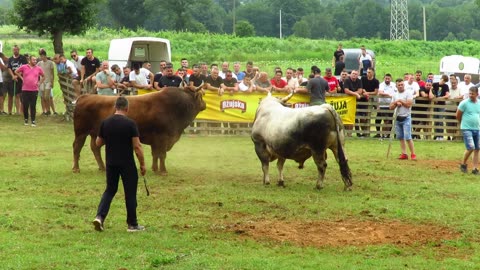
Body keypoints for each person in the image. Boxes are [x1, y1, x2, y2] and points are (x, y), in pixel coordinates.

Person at [93, 96, 147, 232]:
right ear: (127, 108)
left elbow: (98, 143)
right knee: (130, 193)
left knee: (110, 190)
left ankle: (100, 217)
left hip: (111, 163)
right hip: (127, 163)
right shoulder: (131, 124)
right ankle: (132, 224)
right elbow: (137, 147)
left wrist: (109, 138)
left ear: (115, 107)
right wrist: (142, 164)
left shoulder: (105, 123)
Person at [389, 78, 417, 161]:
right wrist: (395, 103)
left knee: (408, 137)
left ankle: (413, 153)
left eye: (402, 84)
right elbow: (391, 107)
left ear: (404, 85)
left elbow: (409, 104)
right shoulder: (394, 95)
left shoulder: (408, 93)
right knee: (400, 137)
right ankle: (404, 153)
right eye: (399, 85)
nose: (400, 86)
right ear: (396, 86)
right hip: (397, 118)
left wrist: (401, 101)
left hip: (406, 117)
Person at [15, 55, 44, 127]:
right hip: (25, 89)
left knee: (33, 105)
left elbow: (43, 76)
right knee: (25, 105)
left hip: (34, 89)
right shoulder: (24, 67)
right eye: (33, 60)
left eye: (35, 60)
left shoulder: (38, 68)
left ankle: (33, 120)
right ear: (29, 60)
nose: (35, 61)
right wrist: (21, 78)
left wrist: (39, 82)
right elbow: (16, 71)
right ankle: (26, 119)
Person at [457, 87, 480, 174]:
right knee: (470, 147)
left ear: (477, 94)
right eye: (470, 93)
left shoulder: (479, 103)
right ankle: (463, 164)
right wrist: (463, 123)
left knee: (477, 149)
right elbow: (458, 115)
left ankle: (475, 168)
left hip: (477, 128)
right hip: (467, 128)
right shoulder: (464, 103)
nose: (470, 95)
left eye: (472, 94)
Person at [8, 45, 28, 115]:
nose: (15, 51)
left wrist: (17, 75)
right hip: (13, 79)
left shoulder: (23, 58)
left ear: (19, 50)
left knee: (20, 95)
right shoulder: (10, 59)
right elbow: (9, 68)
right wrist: (13, 76)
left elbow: (24, 68)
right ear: (12, 50)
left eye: (17, 49)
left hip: (21, 78)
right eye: (14, 50)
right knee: (15, 94)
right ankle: (16, 111)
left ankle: (21, 111)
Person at [429, 74, 450, 140]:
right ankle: (436, 135)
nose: (443, 82)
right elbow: (431, 92)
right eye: (443, 80)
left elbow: (447, 95)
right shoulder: (435, 84)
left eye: (445, 81)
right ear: (441, 79)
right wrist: (434, 98)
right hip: (435, 105)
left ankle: (441, 135)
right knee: (435, 120)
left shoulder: (446, 86)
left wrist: (439, 98)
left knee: (440, 120)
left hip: (441, 105)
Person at [344, 70, 364, 135]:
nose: (354, 75)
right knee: (348, 117)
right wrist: (356, 94)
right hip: (348, 101)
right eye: (353, 73)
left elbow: (360, 90)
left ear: (357, 75)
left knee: (357, 117)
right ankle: (349, 134)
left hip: (357, 102)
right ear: (350, 74)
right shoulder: (347, 80)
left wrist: (354, 94)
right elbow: (346, 90)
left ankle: (360, 133)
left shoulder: (359, 81)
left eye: (355, 74)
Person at [377, 73, 397, 138]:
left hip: (391, 105)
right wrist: (388, 95)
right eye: (386, 78)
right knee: (386, 120)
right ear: (384, 78)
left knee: (390, 120)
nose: (387, 80)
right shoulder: (382, 84)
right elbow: (380, 92)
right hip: (383, 105)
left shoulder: (393, 85)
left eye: (388, 78)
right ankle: (383, 134)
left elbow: (396, 93)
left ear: (391, 79)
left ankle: (388, 135)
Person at [37, 49, 55, 115]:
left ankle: (49, 109)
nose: (41, 57)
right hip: (42, 81)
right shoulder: (39, 63)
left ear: (45, 56)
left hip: (48, 81)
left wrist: (52, 82)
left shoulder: (50, 63)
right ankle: (47, 110)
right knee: (43, 97)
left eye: (42, 56)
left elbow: (52, 73)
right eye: (40, 56)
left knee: (47, 96)